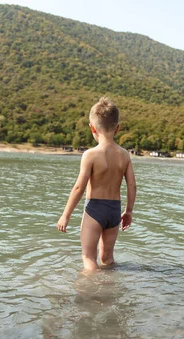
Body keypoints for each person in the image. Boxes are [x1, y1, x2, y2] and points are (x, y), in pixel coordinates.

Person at [57, 97, 136, 271]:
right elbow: (132, 186)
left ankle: (93, 293)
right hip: (114, 210)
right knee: (107, 258)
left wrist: (66, 215)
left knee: (88, 257)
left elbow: (79, 187)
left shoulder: (91, 154)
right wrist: (128, 211)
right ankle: (111, 286)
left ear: (92, 128)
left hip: (94, 209)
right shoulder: (124, 155)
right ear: (117, 128)